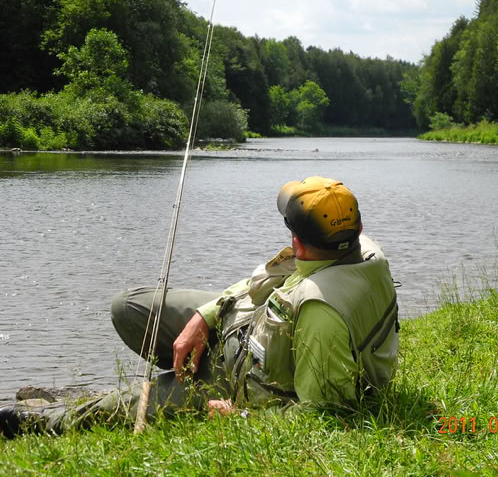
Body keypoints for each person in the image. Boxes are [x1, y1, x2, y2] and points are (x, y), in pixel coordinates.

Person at [0, 176, 399, 437]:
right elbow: (259, 282)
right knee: (130, 307)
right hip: (242, 328)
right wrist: (204, 317)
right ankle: (181, 369)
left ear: (297, 241)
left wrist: (241, 418)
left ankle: (43, 423)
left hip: (244, 384)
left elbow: (323, 415)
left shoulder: (320, 315)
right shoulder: (353, 247)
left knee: (118, 406)